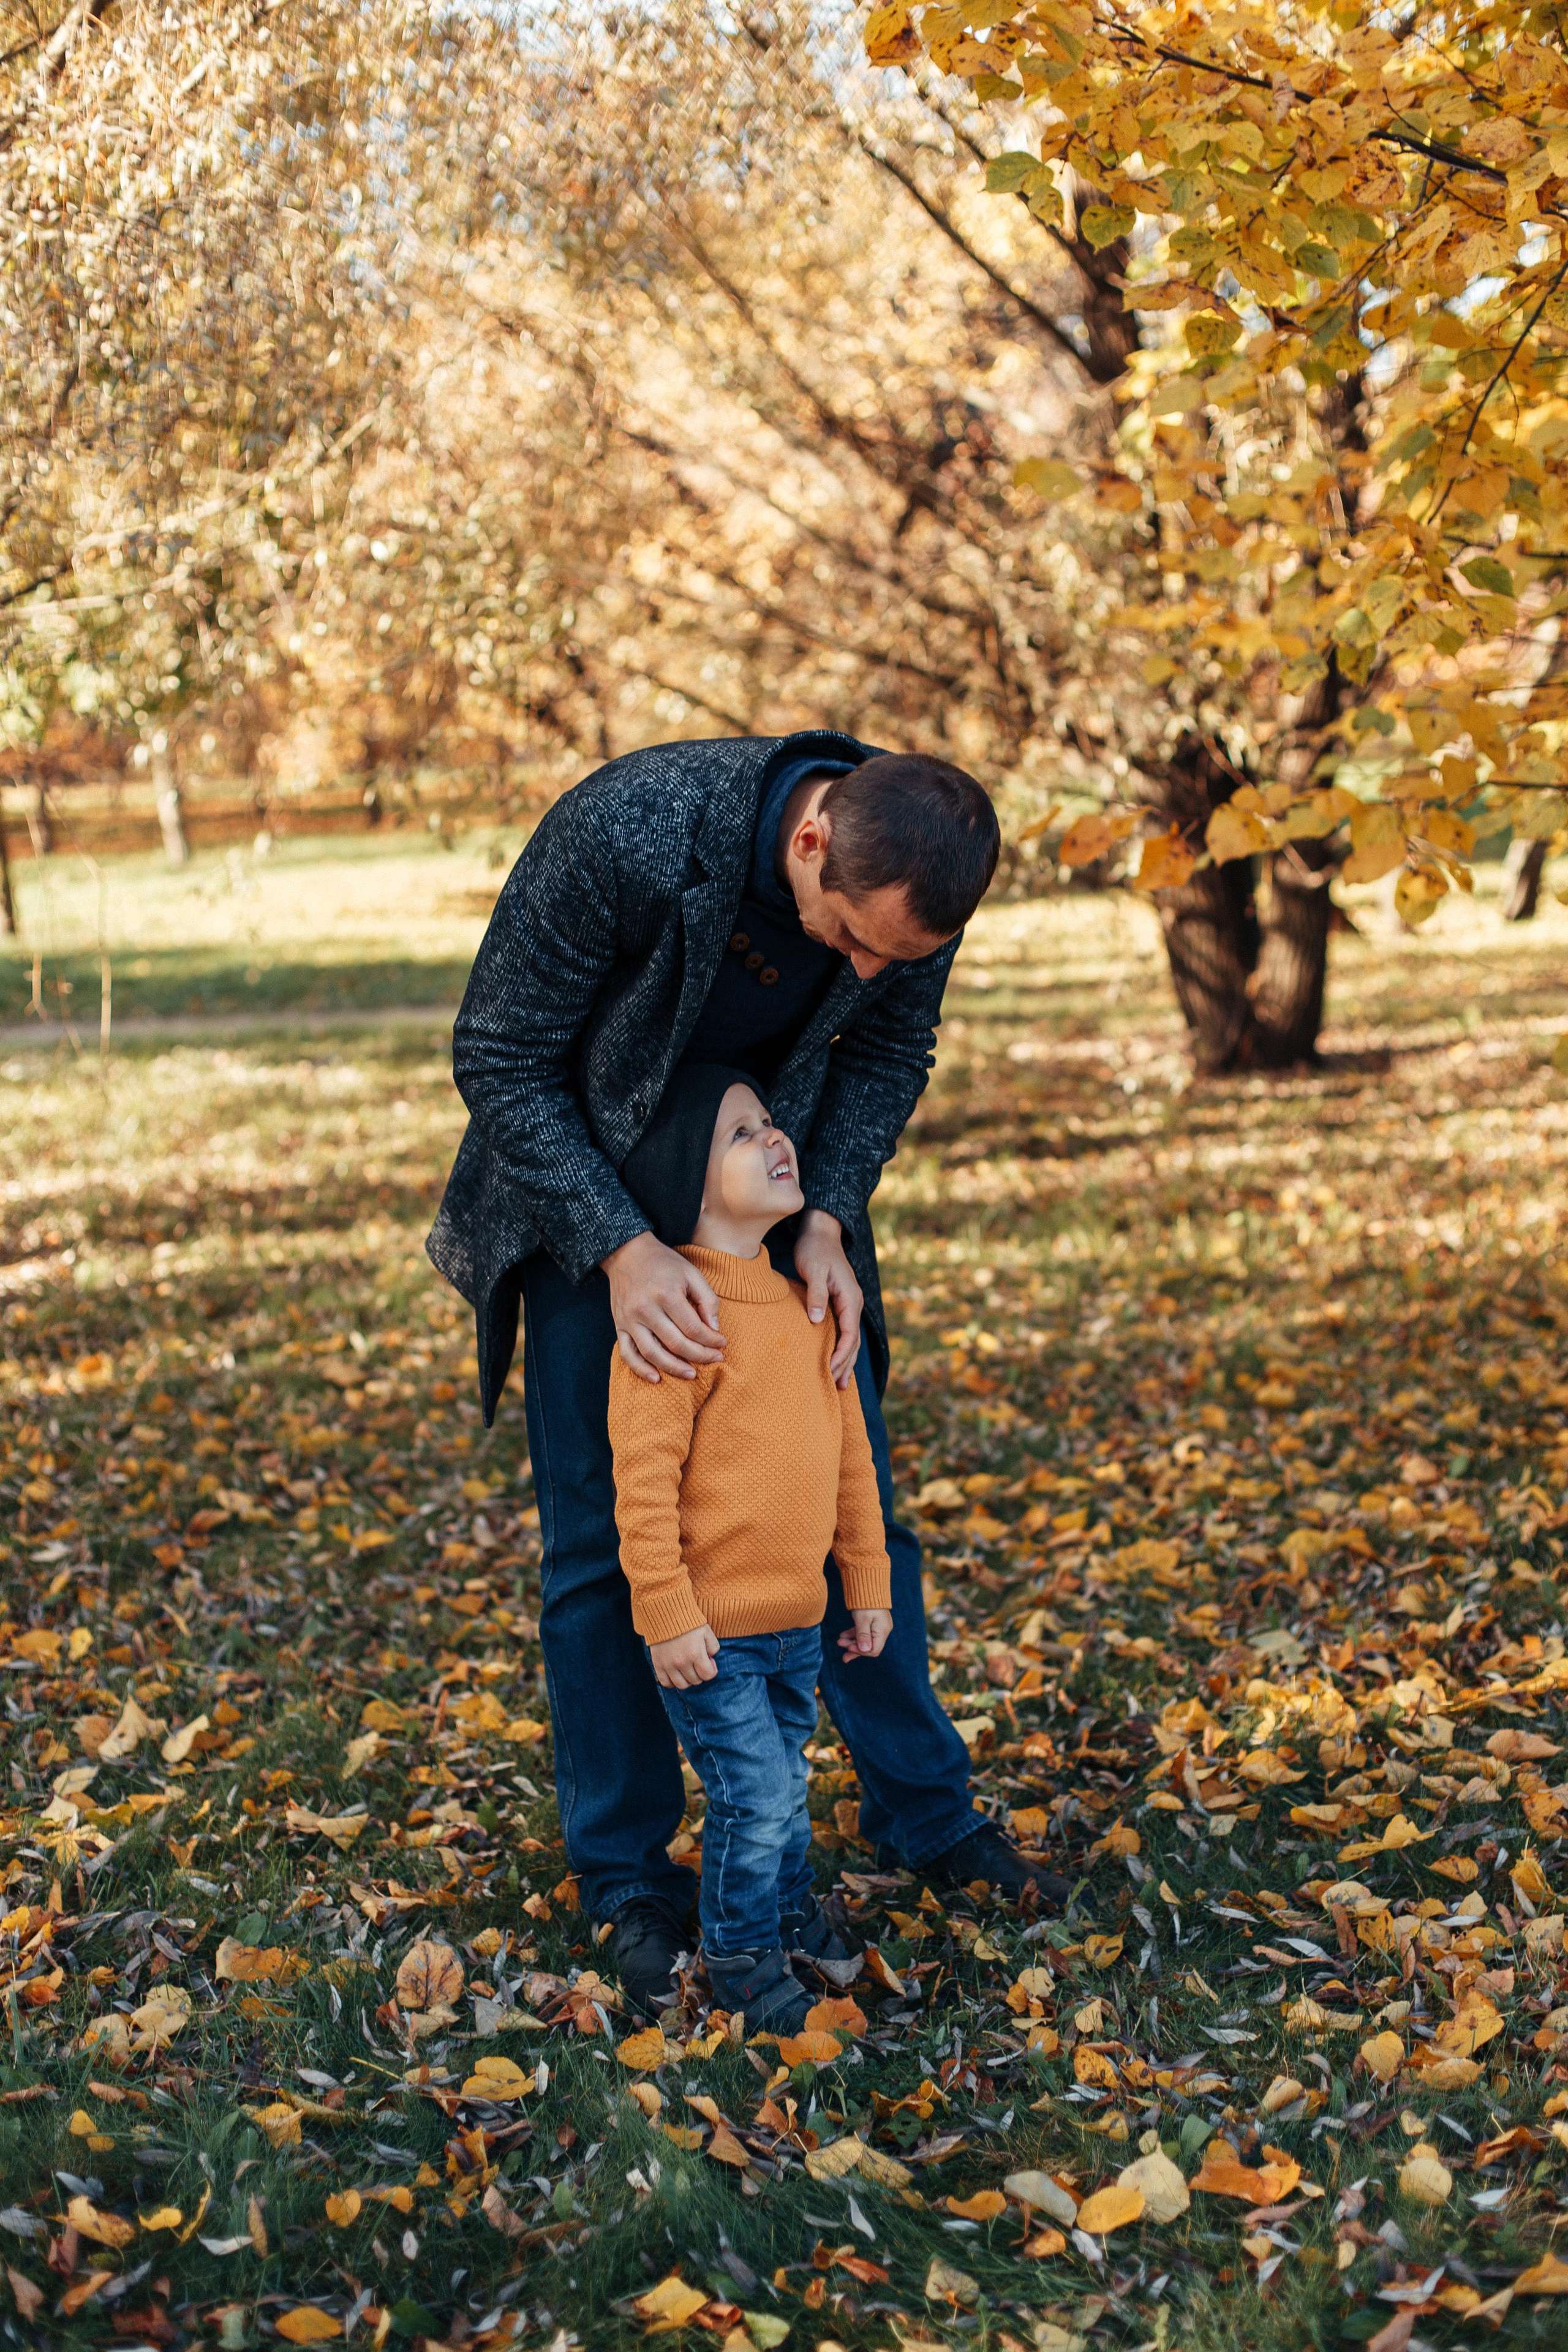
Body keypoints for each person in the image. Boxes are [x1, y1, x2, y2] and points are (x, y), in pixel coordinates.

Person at [428, 729, 1069, 2017]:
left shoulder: (914, 879)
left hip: (772, 1196)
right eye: (857, 940)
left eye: (905, 958)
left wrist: (826, 1211)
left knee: (844, 1501)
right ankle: (627, 1876)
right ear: (810, 839)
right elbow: (497, 1051)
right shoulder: (629, 832)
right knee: (606, 1544)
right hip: (582, 1199)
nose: (873, 970)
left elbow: (887, 1055)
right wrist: (615, 1248)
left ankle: (921, 1813)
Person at [609, 1063, 888, 2030]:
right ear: (689, 1173)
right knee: (758, 1796)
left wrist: (868, 1581)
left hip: (797, 1624)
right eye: (741, 1133)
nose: (776, 1138)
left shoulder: (810, 1300)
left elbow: (851, 1461)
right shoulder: (677, 1319)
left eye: (771, 1122)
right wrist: (666, 1613)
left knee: (786, 1784)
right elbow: (641, 1489)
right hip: (712, 1637)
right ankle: (737, 1959)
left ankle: (783, 1911)